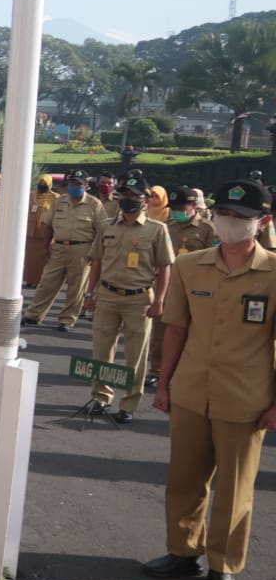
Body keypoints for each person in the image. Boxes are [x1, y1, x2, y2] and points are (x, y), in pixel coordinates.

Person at [143, 179, 276, 580]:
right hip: (191, 391)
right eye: (223, 215)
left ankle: (224, 567)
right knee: (184, 480)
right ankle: (183, 552)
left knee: (235, 489)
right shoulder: (190, 266)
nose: (229, 223)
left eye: (240, 218)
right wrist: (163, 384)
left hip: (246, 399)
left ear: (263, 222)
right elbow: (176, 329)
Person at [81, 172, 174, 423]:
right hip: (108, 295)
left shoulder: (157, 230)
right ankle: (101, 397)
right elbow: (97, 261)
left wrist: (160, 300)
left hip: (139, 299)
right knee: (102, 350)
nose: (128, 200)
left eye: (134, 196)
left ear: (145, 201)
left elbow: (165, 266)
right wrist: (90, 292)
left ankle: (129, 404)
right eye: (125, 195)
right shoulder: (107, 226)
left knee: (135, 355)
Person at [147, 186, 218, 388]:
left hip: (196, 287)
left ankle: (187, 371)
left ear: (193, 205)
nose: (178, 211)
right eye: (175, 207)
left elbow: (215, 259)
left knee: (194, 331)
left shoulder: (207, 229)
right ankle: (157, 370)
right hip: (168, 284)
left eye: (182, 207)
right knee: (160, 329)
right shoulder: (166, 226)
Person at [23, 169, 105, 332]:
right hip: (59, 247)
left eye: (78, 184)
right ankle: (34, 315)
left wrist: (94, 254)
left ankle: (67, 320)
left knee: (76, 287)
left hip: (82, 249)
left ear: (86, 186)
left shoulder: (94, 204)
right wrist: (46, 246)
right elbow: (48, 225)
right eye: (72, 183)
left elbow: (101, 231)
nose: (74, 186)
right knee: (47, 283)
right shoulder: (59, 202)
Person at [23, 175, 57, 287]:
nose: (42, 185)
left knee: (43, 259)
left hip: (45, 234)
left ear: (50, 184)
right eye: (40, 182)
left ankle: (40, 282)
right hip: (31, 233)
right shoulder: (31, 196)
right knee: (30, 259)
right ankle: (29, 280)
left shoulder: (55, 198)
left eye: (45, 183)